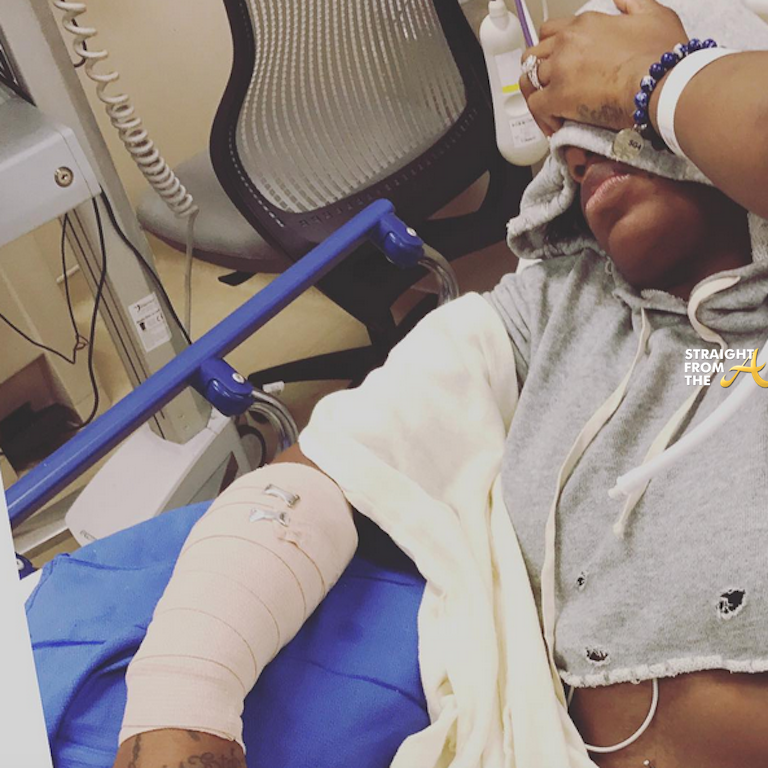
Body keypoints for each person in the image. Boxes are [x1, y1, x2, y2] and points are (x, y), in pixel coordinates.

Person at [111, 0, 768, 766]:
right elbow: (311, 481)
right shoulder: (553, 315)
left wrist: (646, 79)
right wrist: (181, 706)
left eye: (611, 117)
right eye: (569, 150)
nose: (581, 157)